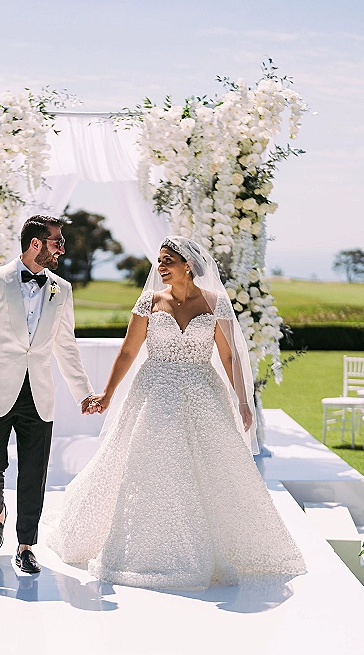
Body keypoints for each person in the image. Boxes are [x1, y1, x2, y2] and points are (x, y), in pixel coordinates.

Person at [48, 236, 306, 589]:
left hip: (203, 393)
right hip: (154, 392)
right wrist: (107, 394)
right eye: (159, 260)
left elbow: (229, 356)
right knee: (147, 463)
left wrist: (243, 401)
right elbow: (128, 352)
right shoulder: (149, 302)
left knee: (210, 467)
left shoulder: (215, 303)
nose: (160, 266)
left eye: (167, 260)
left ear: (189, 264)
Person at [0, 215, 97, 574]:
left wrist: (83, 392)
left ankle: (26, 546)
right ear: (36, 243)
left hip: (39, 394)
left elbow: (66, 346)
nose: (62, 248)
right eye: (57, 242)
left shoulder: (61, 289)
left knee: (34, 471)